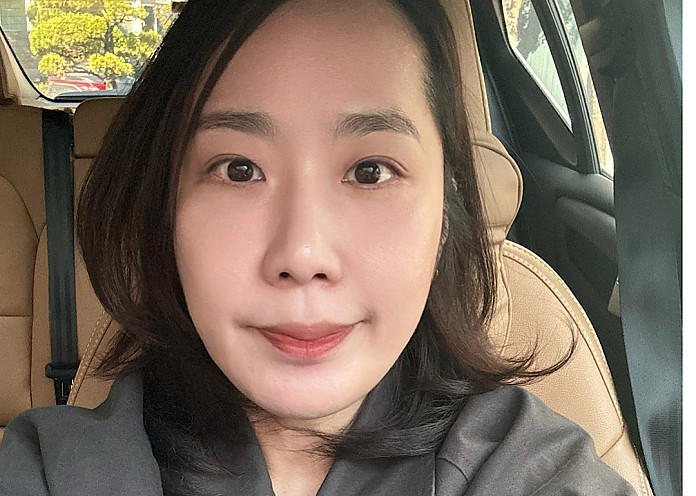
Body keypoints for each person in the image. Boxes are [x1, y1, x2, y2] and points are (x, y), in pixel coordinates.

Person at [0, 0, 637, 495]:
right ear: (167, 213)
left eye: (370, 171)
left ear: (446, 213)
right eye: (239, 170)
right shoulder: (50, 471)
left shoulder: (530, 470)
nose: (302, 255)